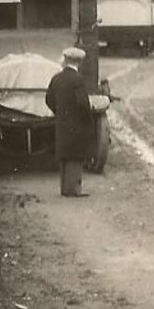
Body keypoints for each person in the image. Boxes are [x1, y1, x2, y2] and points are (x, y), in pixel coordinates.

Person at [44, 46, 98, 198]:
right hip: (77, 123)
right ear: (79, 63)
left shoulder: (57, 78)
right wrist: (87, 118)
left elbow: (49, 99)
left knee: (64, 155)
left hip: (62, 122)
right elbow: (82, 103)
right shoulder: (78, 80)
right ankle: (74, 189)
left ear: (66, 60)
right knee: (75, 156)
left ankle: (64, 189)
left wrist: (59, 111)